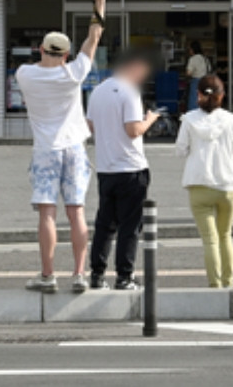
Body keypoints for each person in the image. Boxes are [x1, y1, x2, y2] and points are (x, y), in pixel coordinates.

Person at [15, 0, 108, 294]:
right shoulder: (74, 72)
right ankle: (79, 274)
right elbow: (94, 37)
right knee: (76, 211)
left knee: (47, 213)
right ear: (66, 54)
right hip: (74, 148)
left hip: (46, 150)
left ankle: (47, 275)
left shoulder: (25, 74)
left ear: (41, 49)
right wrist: (99, 1)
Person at [86, 52, 158, 291]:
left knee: (105, 223)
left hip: (106, 168)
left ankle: (96, 274)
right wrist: (150, 119)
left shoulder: (97, 91)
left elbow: (90, 126)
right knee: (130, 226)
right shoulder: (129, 92)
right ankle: (124, 276)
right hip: (130, 167)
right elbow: (133, 130)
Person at [175, 73, 233, 288]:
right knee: (225, 236)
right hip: (227, 185)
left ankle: (214, 284)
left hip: (199, 183)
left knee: (210, 239)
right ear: (222, 95)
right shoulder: (231, 119)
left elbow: (180, 150)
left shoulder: (189, 120)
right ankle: (229, 282)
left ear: (198, 95)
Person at [185, 42, 209, 112]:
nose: (189, 51)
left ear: (193, 50)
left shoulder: (193, 59)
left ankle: (193, 120)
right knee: (204, 101)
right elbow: (209, 70)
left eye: (189, 49)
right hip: (205, 82)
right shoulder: (205, 59)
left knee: (193, 103)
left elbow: (188, 73)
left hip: (196, 82)